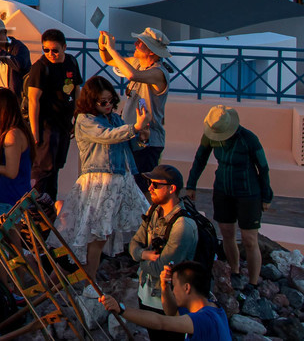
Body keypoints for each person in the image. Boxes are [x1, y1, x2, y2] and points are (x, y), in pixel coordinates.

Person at [62, 75, 150, 279]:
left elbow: (125, 141)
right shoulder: (86, 120)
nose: (108, 105)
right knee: (96, 238)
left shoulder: (113, 117)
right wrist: (135, 128)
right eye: (103, 102)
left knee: (143, 224)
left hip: (120, 180)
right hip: (99, 183)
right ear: (91, 101)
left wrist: (142, 135)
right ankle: (89, 285)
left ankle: (94, 282)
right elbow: (107, 136)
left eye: (111, 100)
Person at [187, 106, 272, 289]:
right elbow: (200, 158)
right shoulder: (211, 136)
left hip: (248, 192)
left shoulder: (248, 139)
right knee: (226, 233)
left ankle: (253, 282)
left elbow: (263, 168)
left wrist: (267, 196)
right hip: (222, 189)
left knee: (249, 238)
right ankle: (234, 270)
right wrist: (191, 184)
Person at [130, 166, 201, 341]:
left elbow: (161, 268)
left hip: (169, 303)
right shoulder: (153, 210)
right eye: (149, 183)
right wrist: (145, 255)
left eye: (155, 184)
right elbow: (132, 246)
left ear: (172, 188)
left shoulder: (182, 225)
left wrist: (139, 258)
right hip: (146, 296)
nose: (150, 188)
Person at [100, 28, 171, 190]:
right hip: (131, 135)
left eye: (141, 43)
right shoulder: (139, 63)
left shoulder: (159, 73)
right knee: (127, 186)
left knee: (142, 189)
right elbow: (109, 60)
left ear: (152, 52)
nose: (136, 44)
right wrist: (103, 46)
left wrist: (111, 48)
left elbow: (131, 75)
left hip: (148, 141)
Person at [98, 262, 232, 341]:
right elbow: (171, 312)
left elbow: (161, 322)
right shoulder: (214, 308)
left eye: (174, 286)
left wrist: (121, 310)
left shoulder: (203, 319)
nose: (174, 291)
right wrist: (164, 285)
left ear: (186, 288)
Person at [25, 28, 81, 201]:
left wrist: (77, 118)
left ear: (64, 47)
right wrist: (35, 132)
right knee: (42, 169)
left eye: (55, 50)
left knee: (55, 167)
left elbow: (77, 89)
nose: (51, 54)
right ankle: (34, 207)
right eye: (46, 50)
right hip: (46, 125)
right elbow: (33, 100)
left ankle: (48, 208)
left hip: (64, 124)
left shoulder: (71, 62)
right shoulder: (40, 67)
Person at [0, 87, 33, 219]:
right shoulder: (16, 132)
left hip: (9, 201)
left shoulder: (12, 135)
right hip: (9, 199)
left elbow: (11, 172)